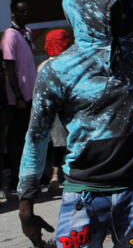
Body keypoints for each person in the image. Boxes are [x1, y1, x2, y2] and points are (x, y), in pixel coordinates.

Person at [18, 0, 133, 248]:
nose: (114, 17)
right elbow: (37, 136)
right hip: (82, 193)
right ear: (81, 15)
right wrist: (25, 201)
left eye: (116, 9)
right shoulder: (57, 71)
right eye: (107, 11)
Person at [4, 1, 36, 200]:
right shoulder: (10, 35)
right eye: (21, 12)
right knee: (18, 139)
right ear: (13, 13)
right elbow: (9, 68)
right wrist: (17, 96)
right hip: (19, 97)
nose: (25, 14)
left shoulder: (27, 32)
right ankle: (17, 177)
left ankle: (32, 176)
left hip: (32, 93)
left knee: (30, 136)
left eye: (27, 11)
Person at [39, 29, 73, 195]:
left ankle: (54, 176)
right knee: (70, 143)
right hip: (69, 109)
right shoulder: (69, 63)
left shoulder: (43, 66)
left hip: (50, 111)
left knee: (57, 145)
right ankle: (68, 174)